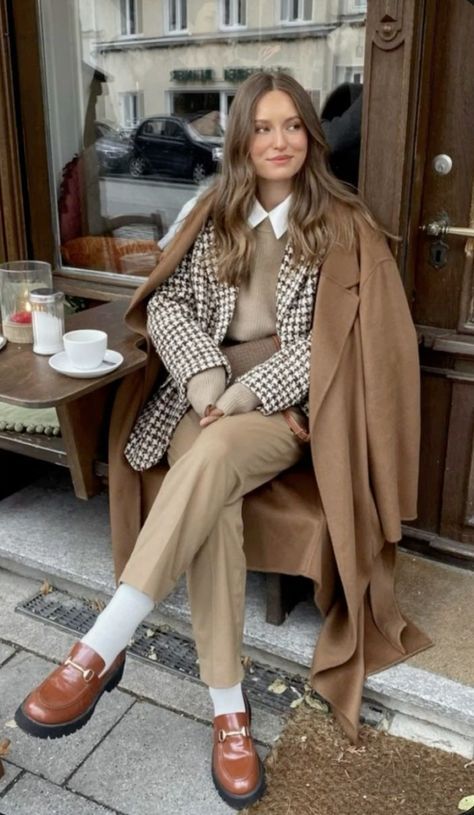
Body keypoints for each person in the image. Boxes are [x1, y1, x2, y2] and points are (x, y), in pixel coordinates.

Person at [14, 71, 431, 810]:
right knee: (216, 504)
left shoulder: (342, 225)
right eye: (263, 127)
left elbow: (334, 345)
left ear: (312, 134)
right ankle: (228, 710)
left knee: (209, 459)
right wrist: (208, 379)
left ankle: (99, 644)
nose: (279, 141)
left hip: (279, 413)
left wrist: (246, 392)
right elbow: (168, 303)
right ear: (241, 138)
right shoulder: (215, 213)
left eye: (293, 126)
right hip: (195, 397)